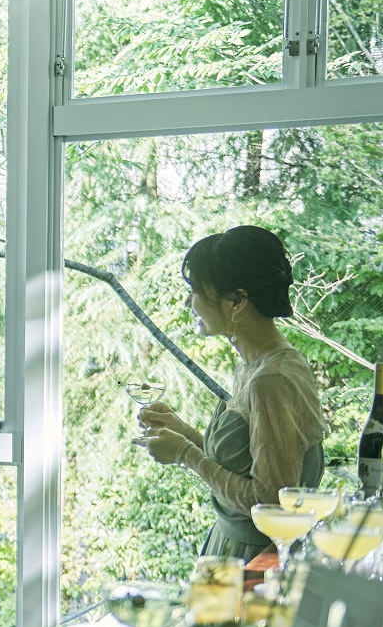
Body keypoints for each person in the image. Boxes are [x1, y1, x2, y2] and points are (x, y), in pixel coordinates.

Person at [138, 225, 325, 559]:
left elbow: (271, 504)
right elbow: (243, 465)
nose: (188, 302)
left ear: (237, 301)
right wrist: (181, 432)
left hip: (255, 559)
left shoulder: (271, 380)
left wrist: (184, 454)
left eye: (195, 291)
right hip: (228, 547)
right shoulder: (255, 366)